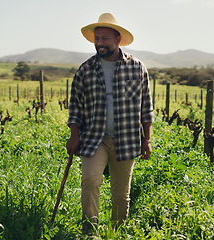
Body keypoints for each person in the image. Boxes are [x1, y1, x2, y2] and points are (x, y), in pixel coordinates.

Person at [66, 12, 154, 234]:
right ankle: (90, 231)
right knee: (90, 180)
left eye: (105, 38)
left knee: (121, 191)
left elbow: (146, 108)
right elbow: (75, 106)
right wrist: (74, 135)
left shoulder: (137, 67)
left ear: (118, 40)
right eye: (97, 38)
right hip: (96, 137)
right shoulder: (85, 70)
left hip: (127, 138)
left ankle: (116, 232)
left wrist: (148, 139)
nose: (99, 43)